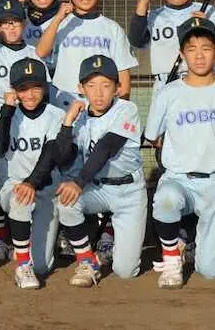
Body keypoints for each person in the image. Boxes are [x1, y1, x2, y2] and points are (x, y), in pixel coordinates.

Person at [145, 19, 215, 288]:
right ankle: (172, 258)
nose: (199, 55)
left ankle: (194, 242)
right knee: (166, 199)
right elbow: (154, 138)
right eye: (191, 48)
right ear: (182, 55)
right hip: (179, 178)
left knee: (210, 270)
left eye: (206, 48)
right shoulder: (168, 94)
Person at [53, 56, 147, 288]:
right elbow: (63, 157)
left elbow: (107, 147)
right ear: (80, 89)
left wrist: (79, 181)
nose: (99, 93)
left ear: (118, 88)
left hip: (129, 192)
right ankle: (87, 261)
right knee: (66, 201)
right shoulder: (80, 117)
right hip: (98, 188)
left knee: (126, 271)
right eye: (91, 86)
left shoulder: (127, 109)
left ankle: (110, 231)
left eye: (106, 85)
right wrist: (67, 123)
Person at [0, 58, 66, 288]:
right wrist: (6, 112)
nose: (30, 94)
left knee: (42, 266)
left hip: (46, 188)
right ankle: (22, 265)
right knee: (21, 199)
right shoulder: (7, 113)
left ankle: (23, 247)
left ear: (45, 87)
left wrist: (32, 183)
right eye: (23, 88)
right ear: (14, 90)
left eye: (36, 87)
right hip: (14, 186)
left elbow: (50, 154)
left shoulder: (55, 114)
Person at [0, 0, 39, 261]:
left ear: (24, 25)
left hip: (26, 119)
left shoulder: (33, 53)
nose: (11, 29)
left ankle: (23, 239)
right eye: (5, 24)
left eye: (16, 23)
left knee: (25, 176)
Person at [36, 0, 138, 105]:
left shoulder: (112, 28)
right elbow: (41, 52)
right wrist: (58, 19)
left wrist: (122, 108)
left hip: (100, 102)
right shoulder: (60, 23)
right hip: (64, 99)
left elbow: (123, 71)